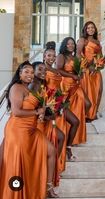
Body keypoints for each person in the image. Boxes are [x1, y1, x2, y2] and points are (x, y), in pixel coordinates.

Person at [0, 61, 58, 198]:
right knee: (19, 163)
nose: (30, 75)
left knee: (51, 150)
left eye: (32, 72)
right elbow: (17, 111)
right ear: (19, 74)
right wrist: (37, 111)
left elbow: (35, 109)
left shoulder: (31, 90)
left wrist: (44, 112)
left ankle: (48, 186)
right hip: (18, 130)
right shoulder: (16, 88)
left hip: (32, 130)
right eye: (26, 72)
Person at [44, 41, 80, 166]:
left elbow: (57, 88)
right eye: (49, 56)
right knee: (57, 136)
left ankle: (68, 148)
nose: (51, 58)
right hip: (48, 106)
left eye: (53, 56)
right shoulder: (41, 70)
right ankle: (55, 165)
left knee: (75, 121)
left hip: (58, 102)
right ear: (44, 56)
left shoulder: (55, 70)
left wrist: (61, 100)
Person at [56, 37, 91, 145]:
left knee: (87, 104)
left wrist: (80, 73)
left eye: (72, 44)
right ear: (64, 45)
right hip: (65, 85)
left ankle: (77, 128)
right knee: (66, 109)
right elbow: (59, 70)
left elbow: (78, 69)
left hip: (76, 85)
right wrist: (72, 75)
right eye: (68, 44)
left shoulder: (75, 57)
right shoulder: (61, 56)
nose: (71, 45)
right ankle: (67, 134)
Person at [77, 21, 103, 121]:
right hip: (86, 69)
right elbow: (78, 55)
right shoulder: (82, 40)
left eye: (92, 27)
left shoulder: (97, 42)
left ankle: (94, 112)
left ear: (95, 29)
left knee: (99, 90)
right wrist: (87, 65)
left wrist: (98, 65)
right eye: (88, 28)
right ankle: (87, 114)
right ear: (85, 30)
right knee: (88, 91)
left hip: (96, 69)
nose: (90, 29)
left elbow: (100, 56)